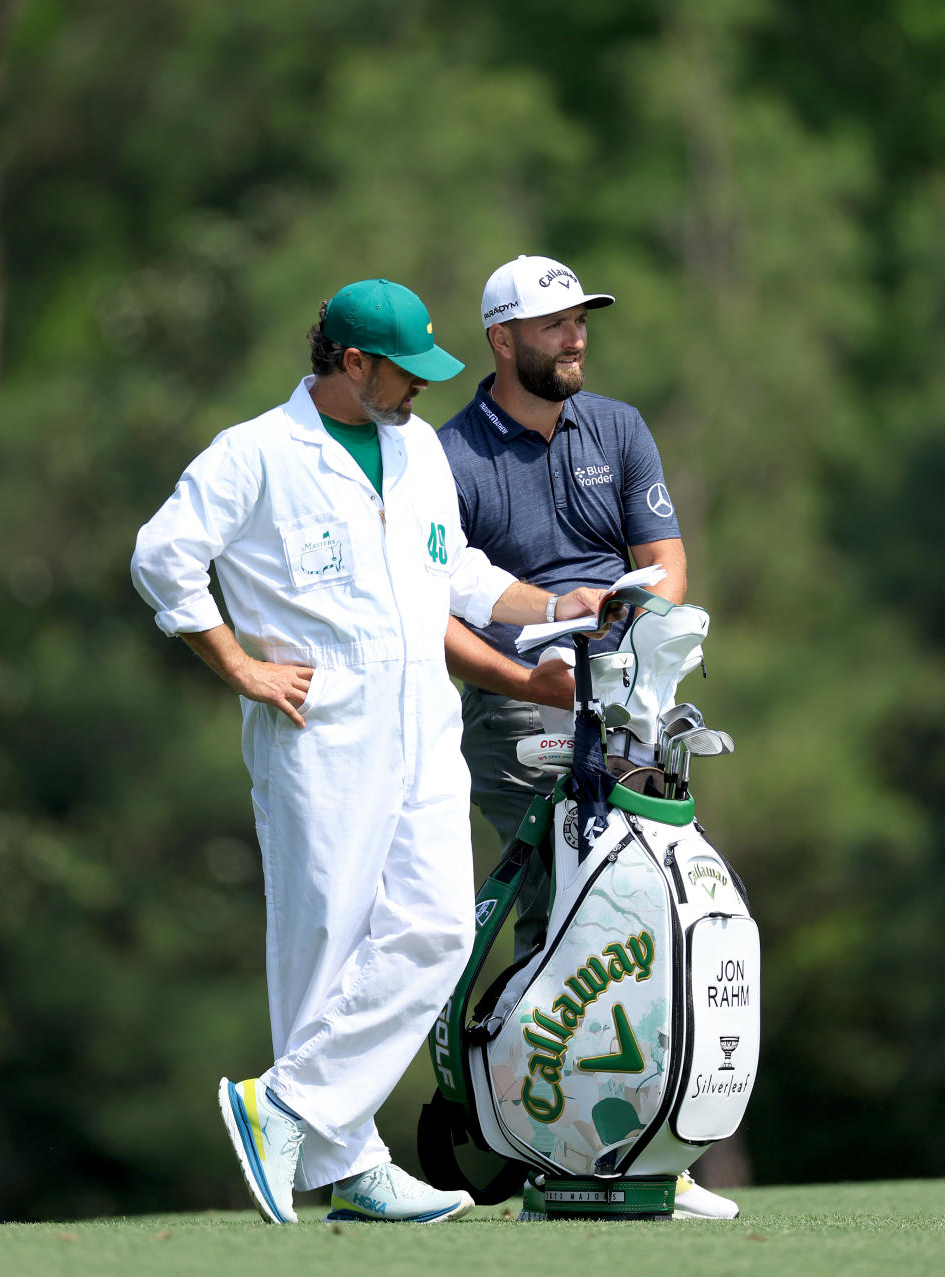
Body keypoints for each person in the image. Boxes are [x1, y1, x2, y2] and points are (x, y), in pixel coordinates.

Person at [130, 278, 608, 1226]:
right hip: (321, 724)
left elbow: (455, 572)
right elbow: (162, 555)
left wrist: (554, 607)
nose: (425, 386)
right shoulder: (257, 453)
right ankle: (350, 1163)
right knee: (327, 941)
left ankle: (292, 1105)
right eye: (405, 369)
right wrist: (237, 664)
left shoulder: (418, 446)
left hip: (422, 717)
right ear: (352, 363)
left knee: (437, 932)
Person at [438, 254, 739, 1221]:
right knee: (561, 920)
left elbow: (667, 564)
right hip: (520, 705)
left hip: (626, 702)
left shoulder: (618, 426)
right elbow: (435, 618)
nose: (576, 337)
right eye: (554, 323)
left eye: (581, 320)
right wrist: (536, 678)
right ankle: (550, 1149)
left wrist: (626, 654)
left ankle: (642, 1152)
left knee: (645, 917)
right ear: (503, 338)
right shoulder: (451, 459)